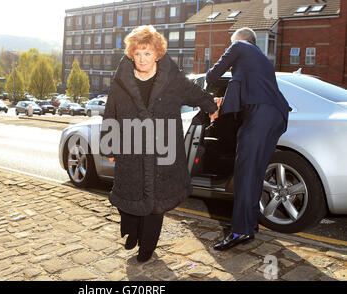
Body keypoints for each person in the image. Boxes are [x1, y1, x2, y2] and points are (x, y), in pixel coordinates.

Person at [99, 25, 220, 263]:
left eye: (147, 53)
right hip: (130, 148)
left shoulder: (171, 79)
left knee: (155, 203)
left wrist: (211, 106)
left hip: (161, 150)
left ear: (157, 54)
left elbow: (193, 91)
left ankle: (147, 247)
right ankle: (132, 232)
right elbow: (110, 113)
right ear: (131, 54)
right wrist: (108, 146)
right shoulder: (121, 81)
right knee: (129, 197)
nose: (142, 59)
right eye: (138, 53)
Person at [206, 28, 290, 251]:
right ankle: (250, 224)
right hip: (276, 116)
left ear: (239, 40)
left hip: (259, 116)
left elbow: (211, 75)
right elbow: (250, 90)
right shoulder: (261, 60)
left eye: (230, 43)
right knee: (254, 173)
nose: (229, 46)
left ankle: (240, 231)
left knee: (244, 174)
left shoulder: (240, 46)